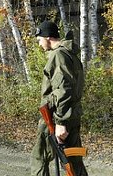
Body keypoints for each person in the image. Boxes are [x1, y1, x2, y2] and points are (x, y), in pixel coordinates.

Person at [31, 20, 88, 176]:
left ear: (48, 37)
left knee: (40, 157)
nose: (39, 44)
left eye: (39, 40)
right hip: (71, 114)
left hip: (56, 116)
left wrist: (60, 123)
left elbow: (64, 90)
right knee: (73, 160)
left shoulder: (59, 55)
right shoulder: (69, 54)